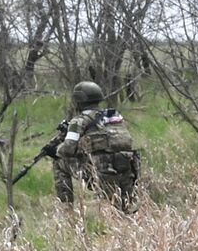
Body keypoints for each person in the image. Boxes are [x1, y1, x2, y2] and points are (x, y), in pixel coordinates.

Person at [42, 80, 140, 211]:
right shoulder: (114, 115)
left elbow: (67, 149)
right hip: (127, 166)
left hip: (101, 169)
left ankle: (66, 208)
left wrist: (54, 151)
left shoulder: (79, 121)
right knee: (124, 207)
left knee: (59, 163)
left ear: (78, 100)